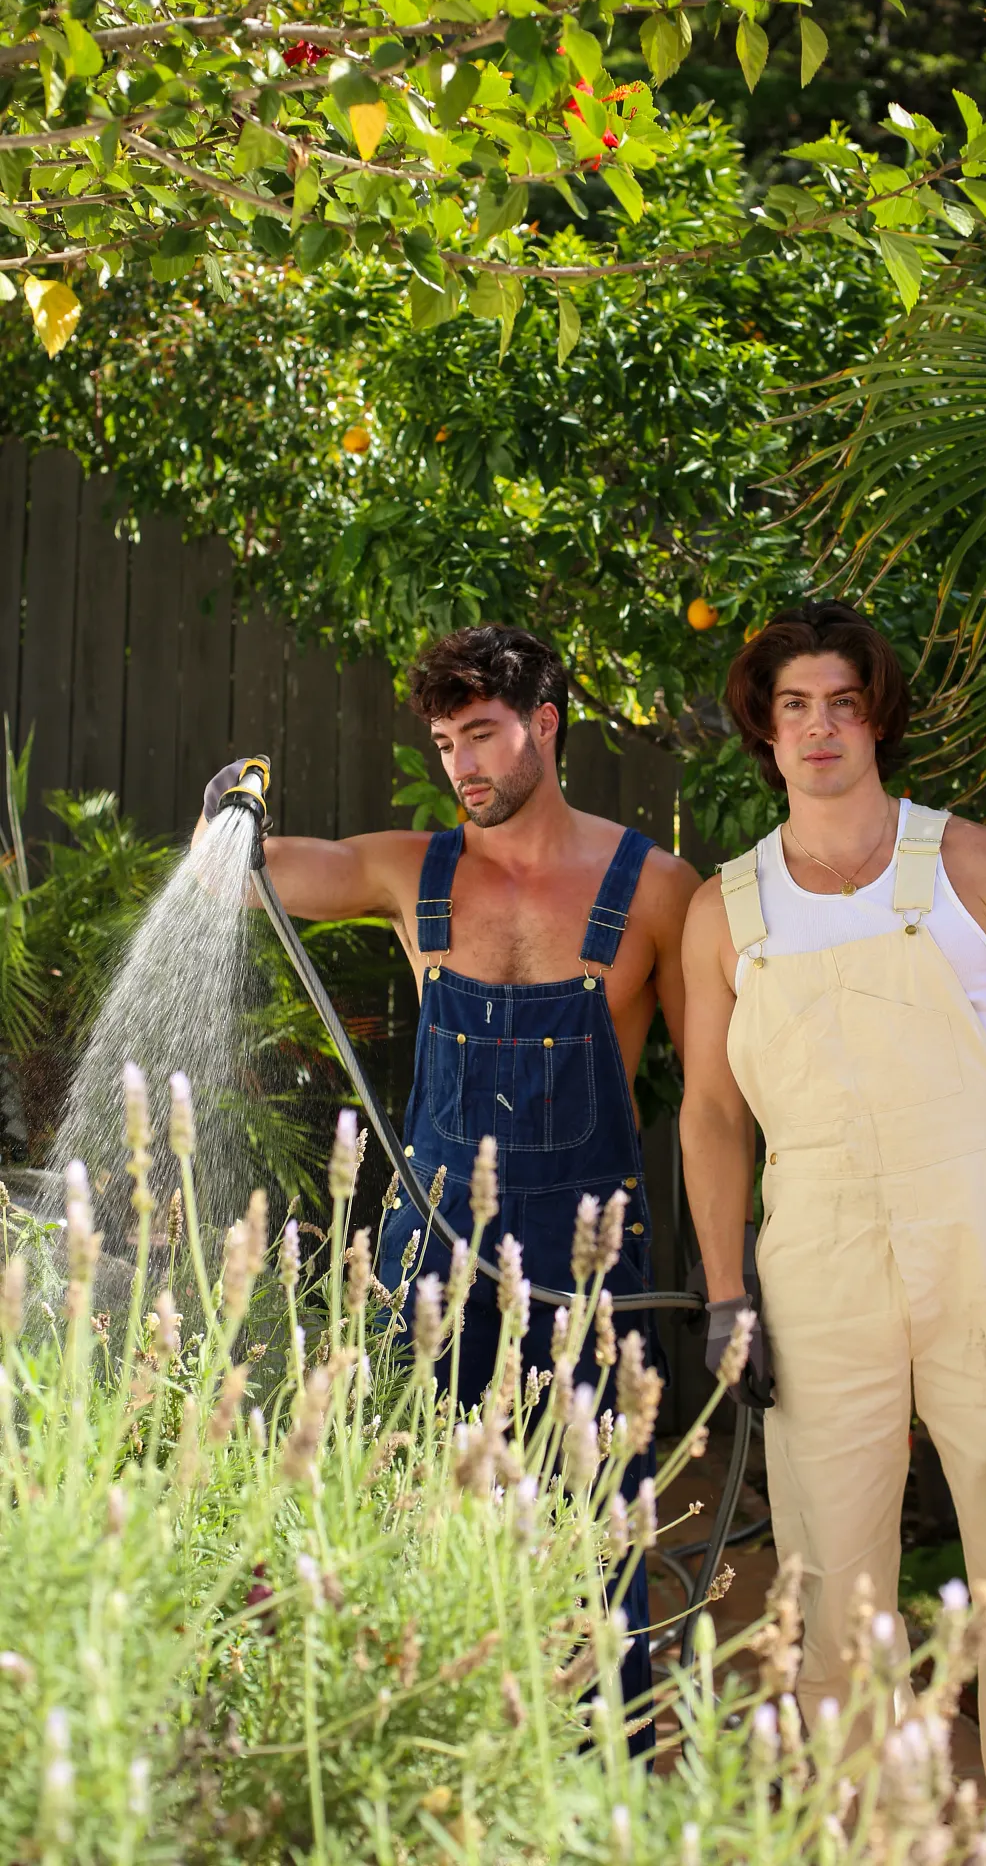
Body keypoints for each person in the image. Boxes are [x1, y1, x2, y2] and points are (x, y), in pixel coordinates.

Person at [678, 600, 986, 1865]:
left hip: (981, 1233)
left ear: (874, 715)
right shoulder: (726, 911)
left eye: (840, 701)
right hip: (814, 1252)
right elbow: (713, 1115)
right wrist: (728, 1291)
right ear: (763, 733)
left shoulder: (980, 868)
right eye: (793, 706)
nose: (819, 728)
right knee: (829, 1584)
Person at [197, 624, 699, 1745]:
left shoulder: (657, 889)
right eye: (443, 741)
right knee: (418, 1525)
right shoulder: (406, 867)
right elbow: (243, 876)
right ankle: (430, 1773)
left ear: (547, 726)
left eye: (482, 734)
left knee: (596, 1544)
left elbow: (715, 1102)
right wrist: (230, 804)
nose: (462, 763)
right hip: (427, 1260)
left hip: (588, 1265)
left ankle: (601, 1781)